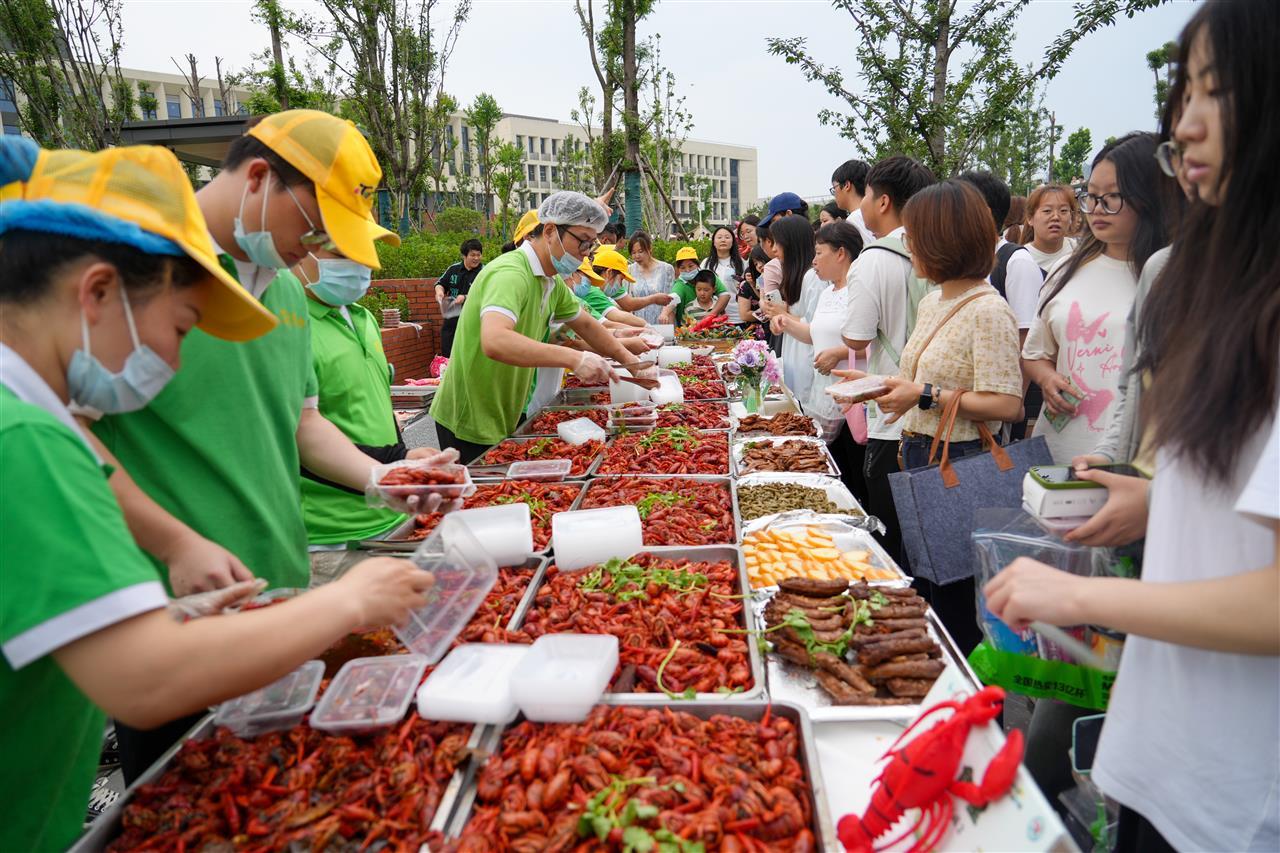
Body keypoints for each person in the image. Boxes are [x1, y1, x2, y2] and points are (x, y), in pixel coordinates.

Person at [0, 139, 435, 852]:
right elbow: (140, 681)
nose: (174, 361)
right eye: (181, 328)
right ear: (98, 291)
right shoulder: (25, 437)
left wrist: (175, 610)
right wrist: (348, 601)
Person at [85, 110, 459, 780]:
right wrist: (173, 542)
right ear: (259, 178)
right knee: (180, 796)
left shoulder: (284, 287)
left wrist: (383, 476)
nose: (313, 247)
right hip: (175, 611)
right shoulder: (134, 268)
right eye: (313, 226)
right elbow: (66, 433)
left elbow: (300, 421)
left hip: (276, 595)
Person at [986, 5, 1279, 849]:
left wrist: (1078, 593)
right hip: (1162, 760)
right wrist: (1158, 501)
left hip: (1236, 800)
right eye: (1182, 92)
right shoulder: (1223, 286)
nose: (1183, 123)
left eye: (1214, 91)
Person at [846, 180, 1023, 651]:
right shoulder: (932, 301)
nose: (907, 243)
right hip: (920, 458)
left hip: (960, 465)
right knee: (922, 592)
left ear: (944, 239)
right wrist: (880, 388)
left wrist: (923, 395)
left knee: (953, 611)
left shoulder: (988, 310)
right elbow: (924, 382)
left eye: (914, 235)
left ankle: (972, 712)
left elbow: (1007, 404)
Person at [429, 191, 649, 461]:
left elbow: (586, 324)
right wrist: (575, 358)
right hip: (469, 417)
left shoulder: (550, 281)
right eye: (582, 242)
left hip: (507, 408)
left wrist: (631, 362)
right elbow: (495, 340)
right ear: (549, 231)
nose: (584, 255)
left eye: (590, 246)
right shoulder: (511, 274)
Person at [1021, 132, 1176, 464]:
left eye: (1112, 197)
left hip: (1136, 461)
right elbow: (1034, 354)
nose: (1096, 208)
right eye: (1091, 197)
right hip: (1058, 451)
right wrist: (1047, 379)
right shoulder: (1067, 269)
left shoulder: (1173, 277)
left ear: (1150, 197)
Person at [839, 155, 936, 565]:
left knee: (893, 536)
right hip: (937, 407)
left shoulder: (873, 260)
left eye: (867, 195)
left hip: (893, 415)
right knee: (930, 535)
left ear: (882, 201)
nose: (861, 204)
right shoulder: (937, 249)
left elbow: (857, 337)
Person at [775, 221, 868, 502]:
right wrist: (786, 323)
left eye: (819, 253)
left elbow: (876, 343)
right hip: (825, 395)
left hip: (855, 399)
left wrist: (839, 354)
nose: (813, 261)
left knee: (857, 473)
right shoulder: (828, 292)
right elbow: (814, 333)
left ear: (841, 253)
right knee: (832, 467)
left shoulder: (860, 290)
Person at [959, 170, 1047, 441]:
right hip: (971, 407)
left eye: (956, 207)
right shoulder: (967, 263)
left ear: (983, 213)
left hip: (1000, 415)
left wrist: (1011, 407)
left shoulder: (1015, 261)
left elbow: (1025, 341)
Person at [761, 215, 824, 405]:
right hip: (795, 361)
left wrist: (783, 316)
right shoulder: (797, 276)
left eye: (777, 243)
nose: (773, 250)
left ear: (791, 243)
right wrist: (779, 320)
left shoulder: (814, 279)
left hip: (808, 363)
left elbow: (816, 328)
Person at [434, 238, 484, 357]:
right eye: (473, 255)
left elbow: (487, 293)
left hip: (474, 315)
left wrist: (465, 297)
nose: (476, 258)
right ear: (464, 255)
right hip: (452, 312)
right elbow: (440, 284)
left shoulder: (484, 271)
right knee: (448, 346)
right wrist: (439, 292)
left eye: (479, 255)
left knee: (469, 349)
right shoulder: (453, 269)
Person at [658, 246, 730, 326]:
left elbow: (725, 295)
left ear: (697, 265)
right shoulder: (680, 285)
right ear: (678, 269)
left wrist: (711, 315)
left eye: (691, 266)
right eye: (683, 268)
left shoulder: (707, 276)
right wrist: (664, 313)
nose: (687, 270)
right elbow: (673, 298)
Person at [1023, 185, 1078, 272]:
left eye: (1063, 210)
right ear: (1030, 218)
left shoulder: (1079, 252)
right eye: (1047, 211)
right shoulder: (1021, 259)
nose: (1055, 217)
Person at [626, 230, 676, 325]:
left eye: (640, 251)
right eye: (633, 252)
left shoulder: (666, 269)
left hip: (661, 321)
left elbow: (671, 298)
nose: (637, 256)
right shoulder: (630, 270)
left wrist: (665, 315)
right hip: (639, 323)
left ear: (649, 249)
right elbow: (627, 300)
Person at [704, 225, 745, 324]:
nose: (723, 240)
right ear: (714, 242)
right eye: (719, 237)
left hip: (737, 316)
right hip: (713, 316)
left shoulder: (741, 263)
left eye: (727, 237)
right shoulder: (706, 263)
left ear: (732, 242)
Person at [830, 158, 875, 245]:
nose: (834, 194)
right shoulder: (873, 213)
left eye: (834, 188)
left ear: (847, 185)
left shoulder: (854, 220)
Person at [737, 245, 769, 331]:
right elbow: (763, 300)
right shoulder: (761, 279)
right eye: (756, 264)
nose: (759, 266)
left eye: (761, 260)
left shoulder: (781, 275)